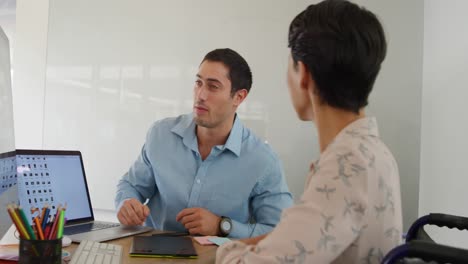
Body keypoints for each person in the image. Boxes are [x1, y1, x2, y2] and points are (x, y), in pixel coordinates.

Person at [216, 0, 402, 262]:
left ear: (303, 73)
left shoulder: (346, 165)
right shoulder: (373, 151)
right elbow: (299, 239)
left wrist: (224, 250)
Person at [115, 48, 292, 238]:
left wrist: (222, 226)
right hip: (150, 252)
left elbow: (281, 232)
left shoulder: (263, 160)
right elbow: (130, 185)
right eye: (198, 83)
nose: (200, 95)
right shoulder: (161, 135)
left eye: (213, 87)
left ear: (238, 97)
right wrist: (127, 202)